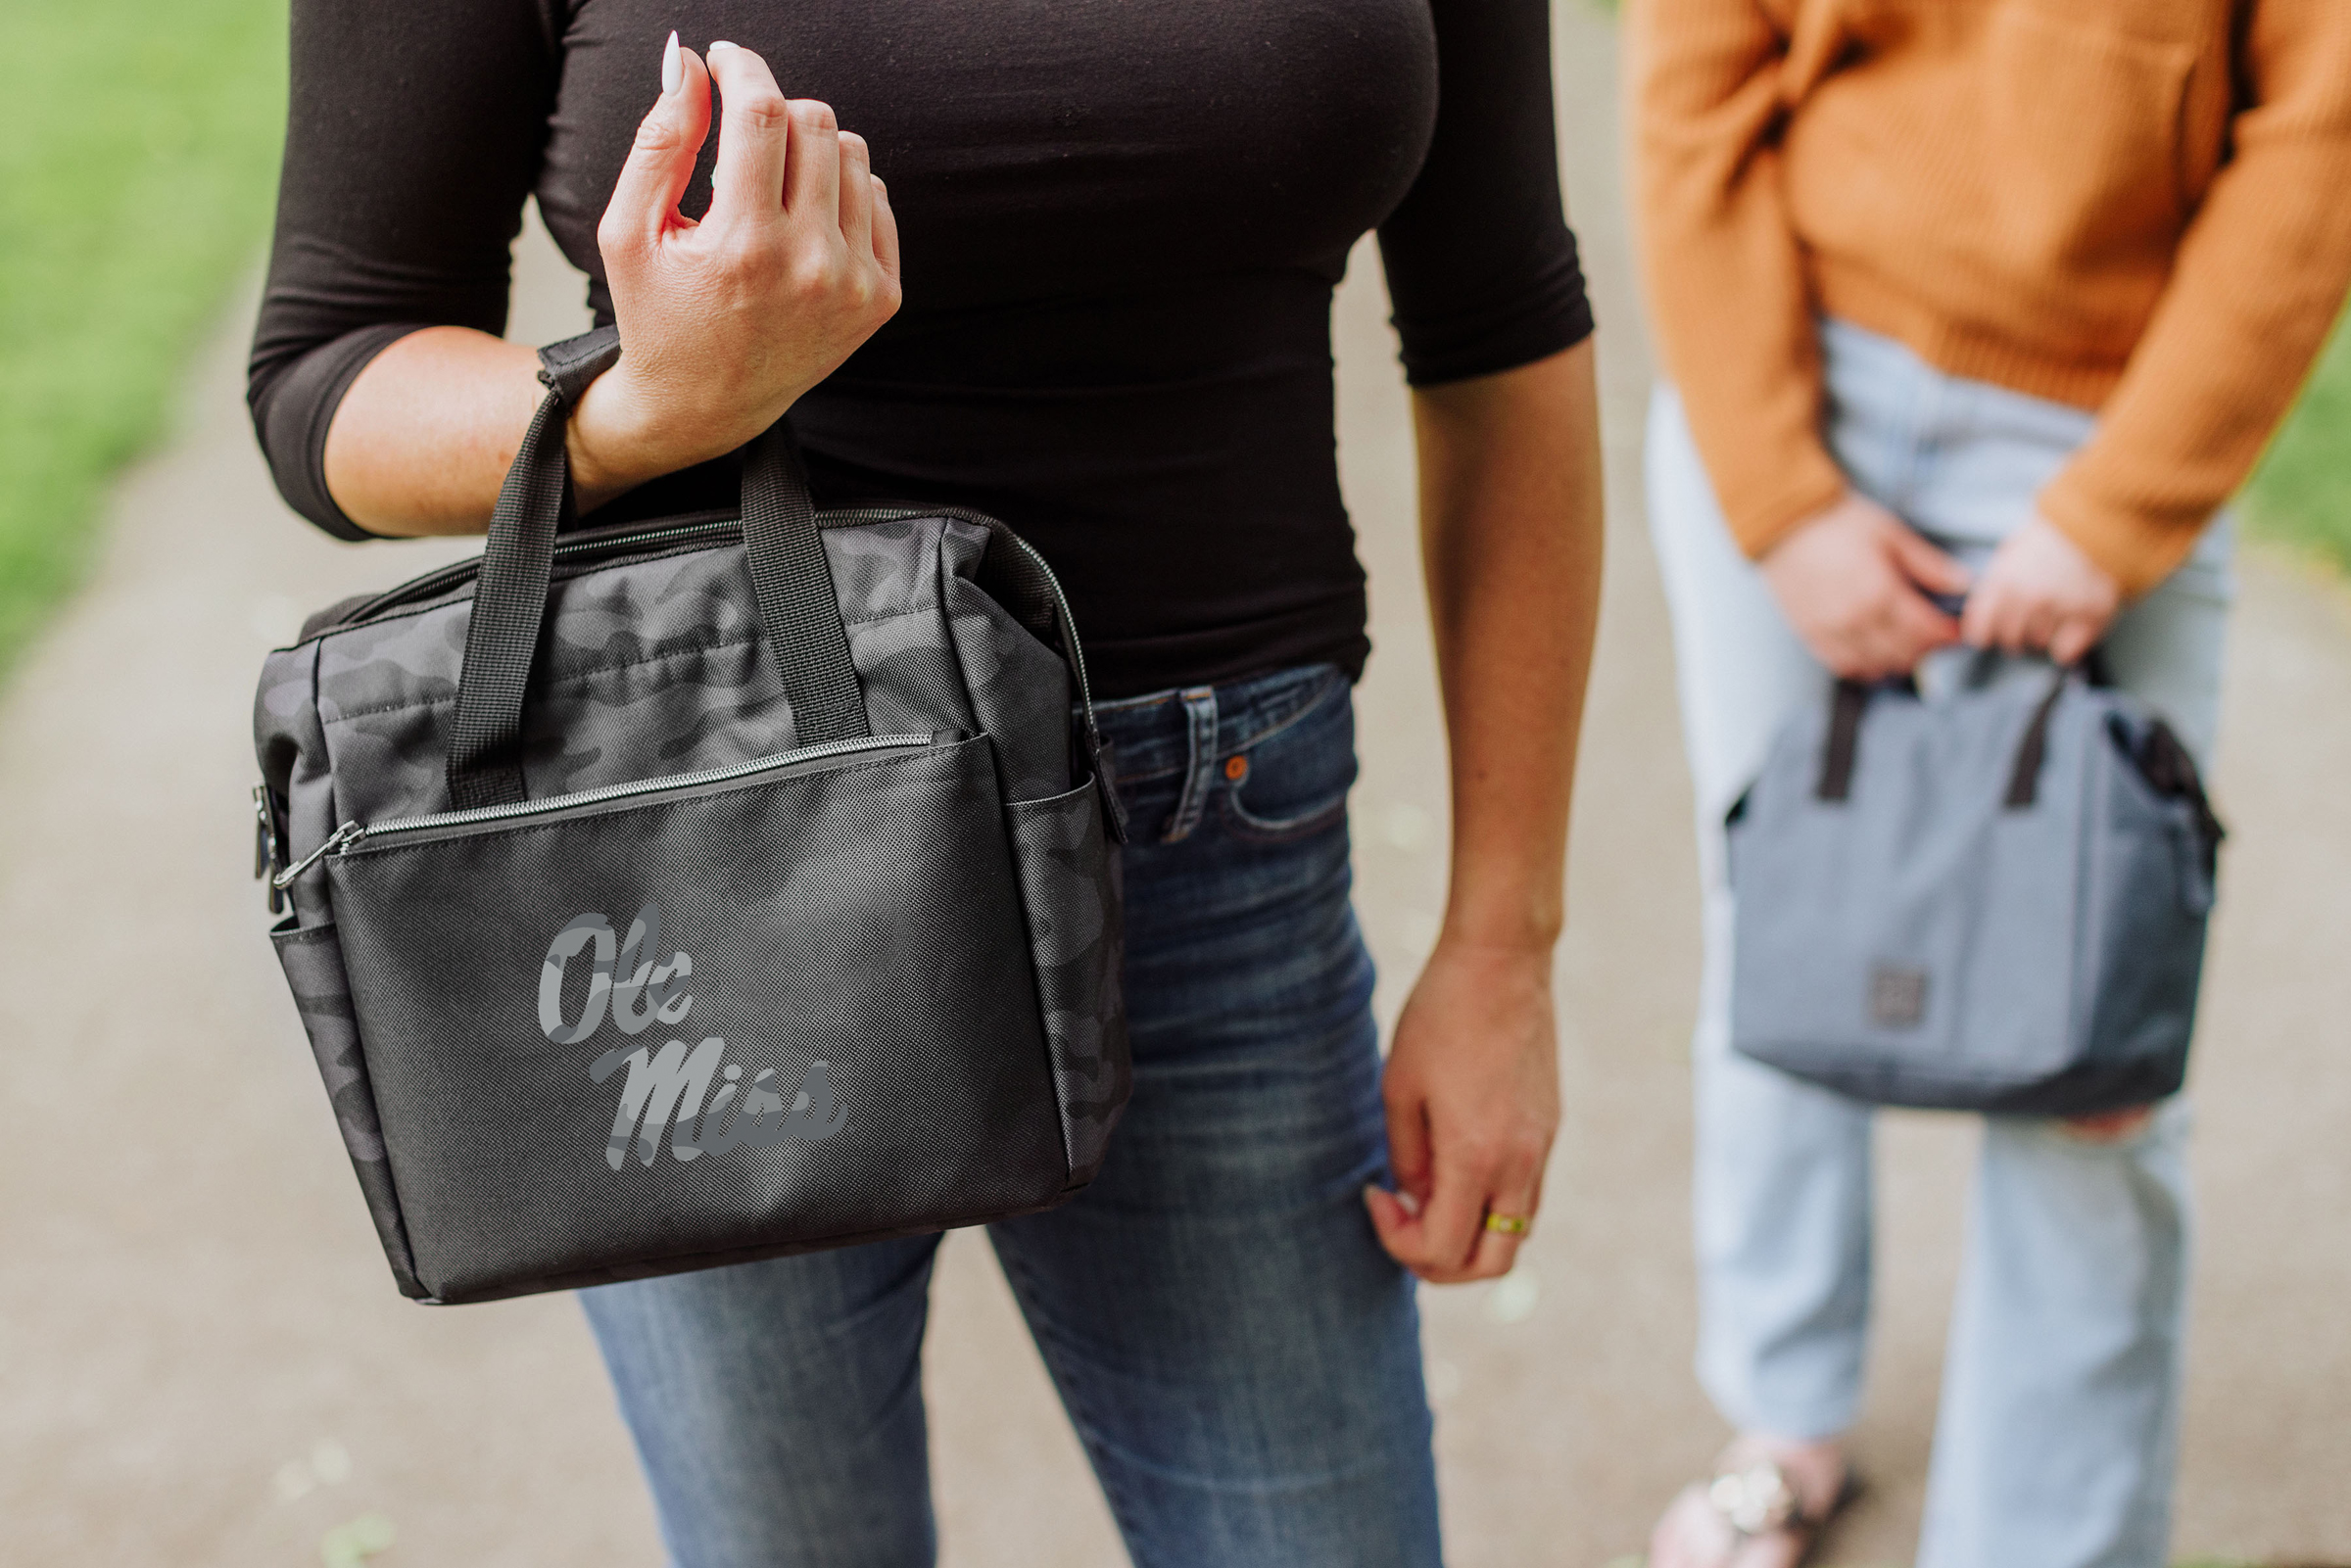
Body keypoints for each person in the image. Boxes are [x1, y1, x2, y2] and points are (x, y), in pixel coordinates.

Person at [248, 5, 1605, 1564]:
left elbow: (1505, 332)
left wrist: (1508, 939)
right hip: (704, 868)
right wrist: (634, 410)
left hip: (1214, 849)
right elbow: (329, 373)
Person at [1625, 1, 2351, 1564]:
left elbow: (2322, 126)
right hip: (1794, 372)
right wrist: (1779, 493)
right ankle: (1784, 1416)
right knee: (1781, 937)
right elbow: (1691, 81)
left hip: (2112, 413)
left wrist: (2118, 509)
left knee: (2097, 1041)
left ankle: (2050, 1539)